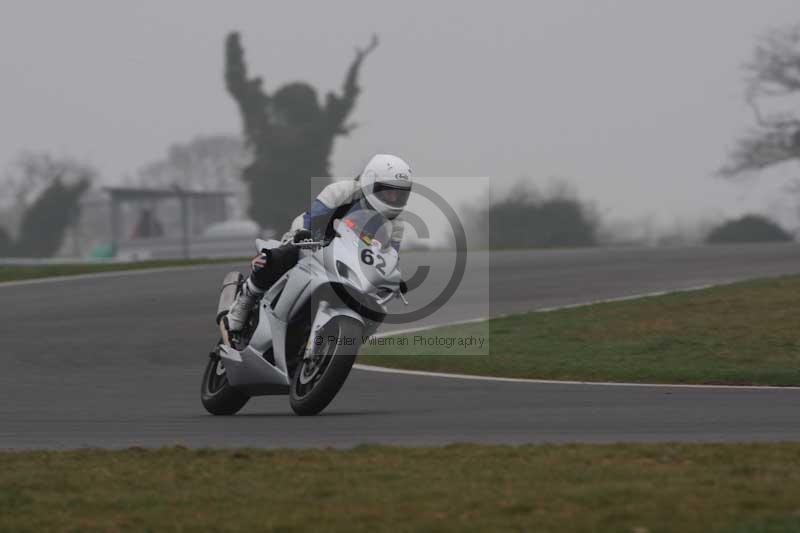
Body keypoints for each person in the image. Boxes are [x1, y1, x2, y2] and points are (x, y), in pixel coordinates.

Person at [225, 154, 412, 333]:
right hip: (314, 239)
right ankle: (246, 298)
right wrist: (302, 236)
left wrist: (392, 278)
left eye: (399, 193)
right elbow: (311, 219)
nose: (393, 198)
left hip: (352, 258)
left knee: (376, 308)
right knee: (280, 256)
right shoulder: (343, 191)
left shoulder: (396, 222)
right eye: (388, 191)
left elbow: (391, 256)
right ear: (370, 183)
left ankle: (343, 340)